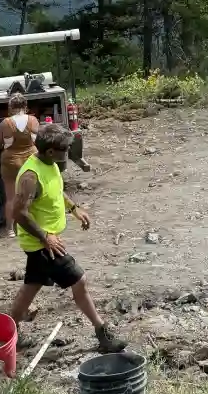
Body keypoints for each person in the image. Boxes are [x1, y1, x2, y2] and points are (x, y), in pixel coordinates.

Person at [10, 121, 126, 353]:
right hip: (42, 243)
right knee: (79, 281)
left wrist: (74, 209)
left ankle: (9, 333)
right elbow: (19, 213)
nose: (69, 153)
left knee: (31, 287)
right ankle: (102, 332)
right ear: (51, 151)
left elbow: (55, 189)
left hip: (45, 241)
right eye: (66, 149)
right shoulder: (30, 176)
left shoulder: (49, 163)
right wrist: (45, 238)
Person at [0, 94, 39, 236]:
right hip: (30, 161)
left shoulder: (5, 123)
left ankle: (9, 230)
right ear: (25, 106)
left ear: (11, 108)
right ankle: (32, 226)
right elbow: (37, 141)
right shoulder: (33, 120)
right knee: (30, 195)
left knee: (11, 197)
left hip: (11, 162)